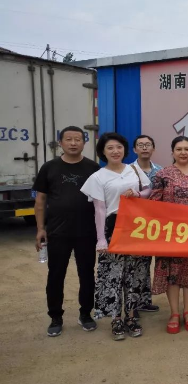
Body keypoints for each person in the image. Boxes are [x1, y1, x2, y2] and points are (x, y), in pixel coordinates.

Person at [80, 132, 151, 341]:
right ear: (103, 152)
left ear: (124, 150)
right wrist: (101, 239)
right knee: (113, 275)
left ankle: (132, 316)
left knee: (135, 273)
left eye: (119, 147)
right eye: (110, 148)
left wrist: (137, 194)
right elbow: (99, 209)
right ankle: (116, 318)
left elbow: (148, 190)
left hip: (136, 228)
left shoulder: (134, 170)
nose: (115, 151)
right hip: (113, 228)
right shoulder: (98, 177)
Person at [33, 126, 101, 337]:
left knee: (87, 274)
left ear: (84, 143)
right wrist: (40, 229)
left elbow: (101, 201)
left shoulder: (93, 168)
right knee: (56, 275)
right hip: (57, 231)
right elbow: (40, 200)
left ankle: (85, 314)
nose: (73, 143)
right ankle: (55, 317)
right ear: (60, 143)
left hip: (86, 231)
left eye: (77, 139)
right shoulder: (49, 167)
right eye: (69, 139)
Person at [150, 136, 188, 334]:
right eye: (179, 149)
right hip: (170, 234)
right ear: (173, 152)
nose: (183, 152)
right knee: (172, 274)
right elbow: (153, 204)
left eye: (186, 149)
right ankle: (174, 313)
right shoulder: (163, 174)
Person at [131, 135, 162, 317]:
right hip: (135, 224)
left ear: (153, 148)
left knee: (147, 263)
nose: (144, 148)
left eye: (148, 144)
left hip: (155, 224)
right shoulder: (128, 170)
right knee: (134, 264)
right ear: (135, 149)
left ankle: (144, 301)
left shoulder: (160, 171)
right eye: (140, 145)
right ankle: (132, 304)